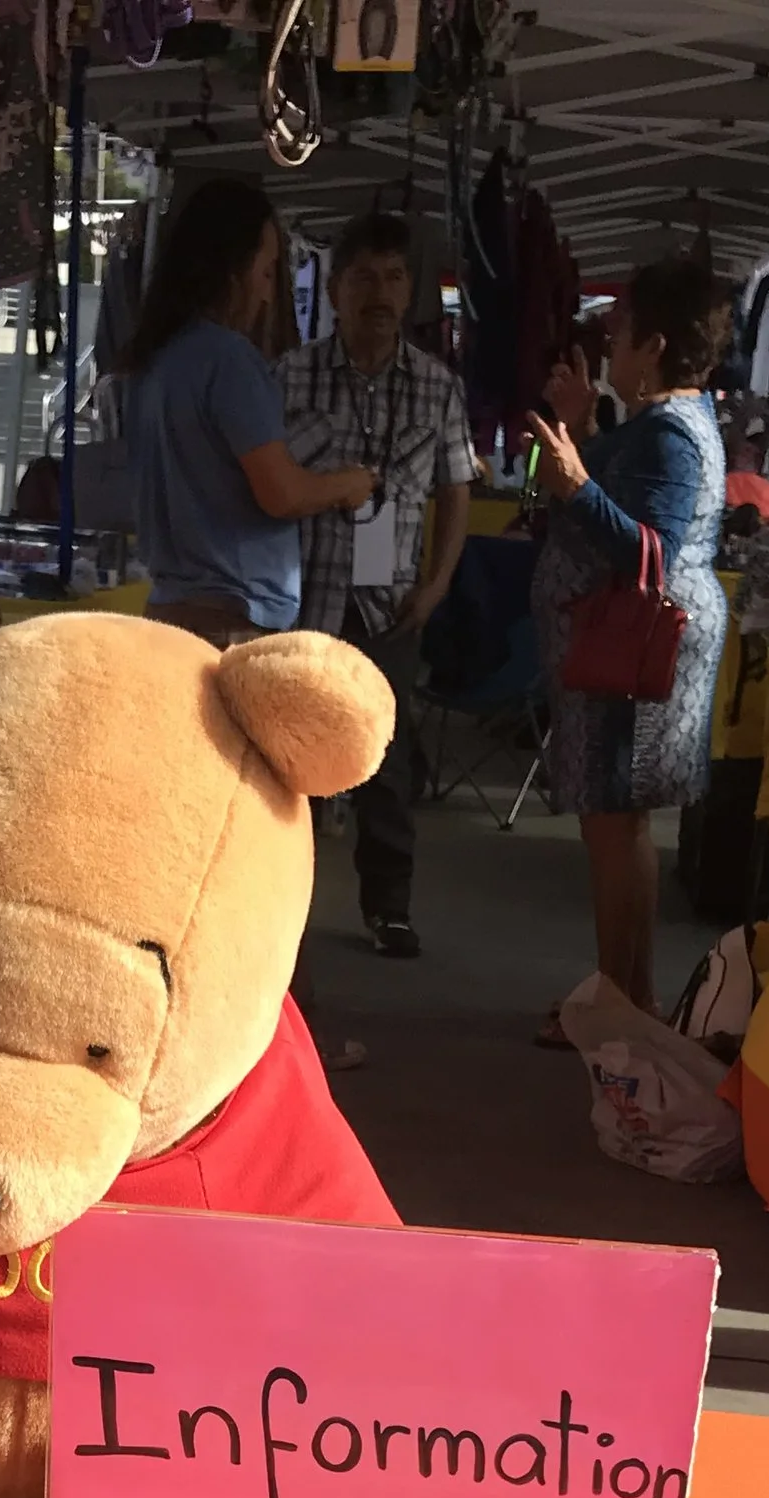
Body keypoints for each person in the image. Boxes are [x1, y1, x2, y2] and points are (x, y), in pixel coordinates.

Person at [527, 257, 731, 1035]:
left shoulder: (671, 433)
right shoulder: (663, 424)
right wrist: (587, 435)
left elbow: (651, 550)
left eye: (620, 331)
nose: (609, 343)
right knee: (616, 823)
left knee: (615, 823)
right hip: (626, 648)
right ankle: (625, 996)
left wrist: (576, 482)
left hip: (632, 651)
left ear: (654, 345)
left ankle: (623, 1004)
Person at [280, 208, 478, 959]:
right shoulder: (290, 376)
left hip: (389, 603)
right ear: (334, 291)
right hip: (306, 595)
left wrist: (437, 583)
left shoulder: (437, 386)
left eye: (394, 278)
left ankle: (388, 908)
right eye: (363, 278)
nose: (381, 293)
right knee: (289, 758)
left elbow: (455, 490)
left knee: (386, 762)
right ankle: (277, 910)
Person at [125, 177, 377, 645]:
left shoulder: (153, 360)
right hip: (228, 619)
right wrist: (349, 484)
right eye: (266, 273)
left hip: (169, 610)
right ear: (232, 270)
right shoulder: (229, 359)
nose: (267, 295)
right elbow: (282, 493)